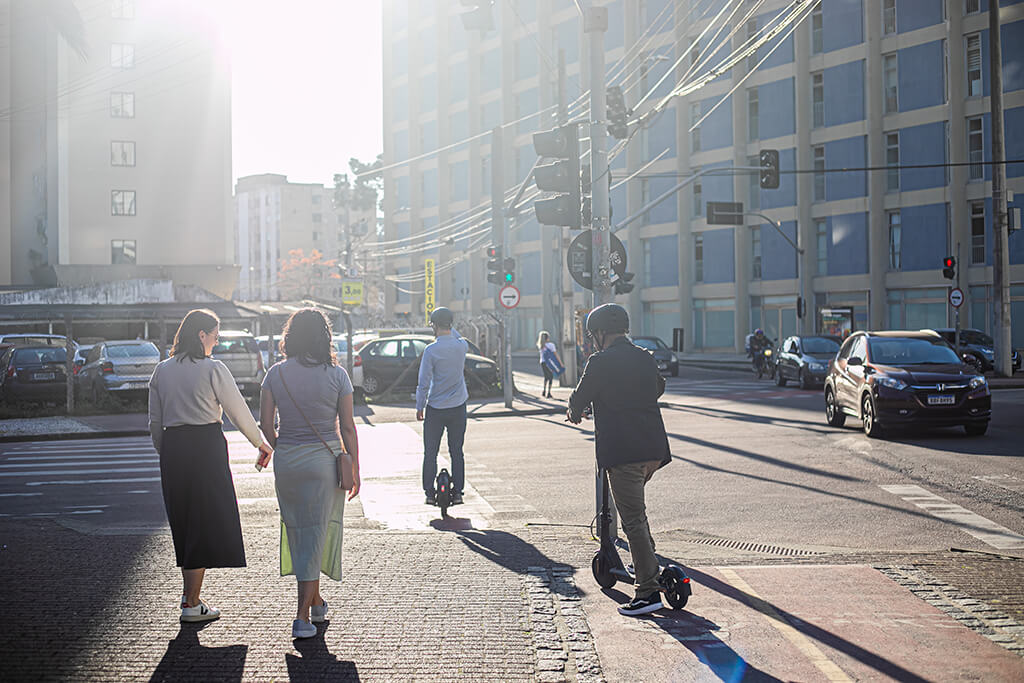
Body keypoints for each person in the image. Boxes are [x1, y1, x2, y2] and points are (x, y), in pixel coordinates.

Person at [148, 309, 273, 624]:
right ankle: (190, 602)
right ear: (201, 335)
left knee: (184, 519)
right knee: (205, 521)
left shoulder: (161, 371)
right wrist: (259, 442)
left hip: (174, 448)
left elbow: (155, 422)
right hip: (206, 446)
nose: (216, 343)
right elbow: (237, 410)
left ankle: (190, 597)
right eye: (215, 336)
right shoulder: (213, 369)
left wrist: (167, 452)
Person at [258, 308, 361, 640]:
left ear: (291, 337)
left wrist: (283, 447)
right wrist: (355, 466)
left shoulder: (275, 374)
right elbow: (347, 426)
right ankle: (302, 617)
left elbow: (265, 426)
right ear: (324, 337)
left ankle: (316, 603)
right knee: (316, 534)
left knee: (300, 532)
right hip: (323, 462)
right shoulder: (337, 375)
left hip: (287, 461)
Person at [566, 303, 671, 617]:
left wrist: (575, 412)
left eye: (592, 335)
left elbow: (578, 399)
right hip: (652, 450)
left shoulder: (599, 362)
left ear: (599, 334)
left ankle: (649, 590)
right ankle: (648, 568)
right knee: (637, 513)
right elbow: (657, 389)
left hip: (623, 451)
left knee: (633, 520)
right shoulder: (644, 357)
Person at [416, 306, 468, 506]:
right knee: (457, 451)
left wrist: (420, 406)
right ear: (451, 324)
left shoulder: (431, 350)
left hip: (436, 408)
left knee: (430, 452)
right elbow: (458, 336)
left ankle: (429, 493)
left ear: (434, 326)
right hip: (458, 407)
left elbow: (424, 381)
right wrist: (449, 326)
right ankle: (458, 493)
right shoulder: (461, 346)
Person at [536, 330, 563, 398]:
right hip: (550, 363)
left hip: (543, 362)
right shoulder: (551, 345)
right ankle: (549, 392)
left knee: (546, 377)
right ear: (547, 338)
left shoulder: (541, 346)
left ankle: (544, 390)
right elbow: (556, 355)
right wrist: (561, 364)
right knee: (550, 377)